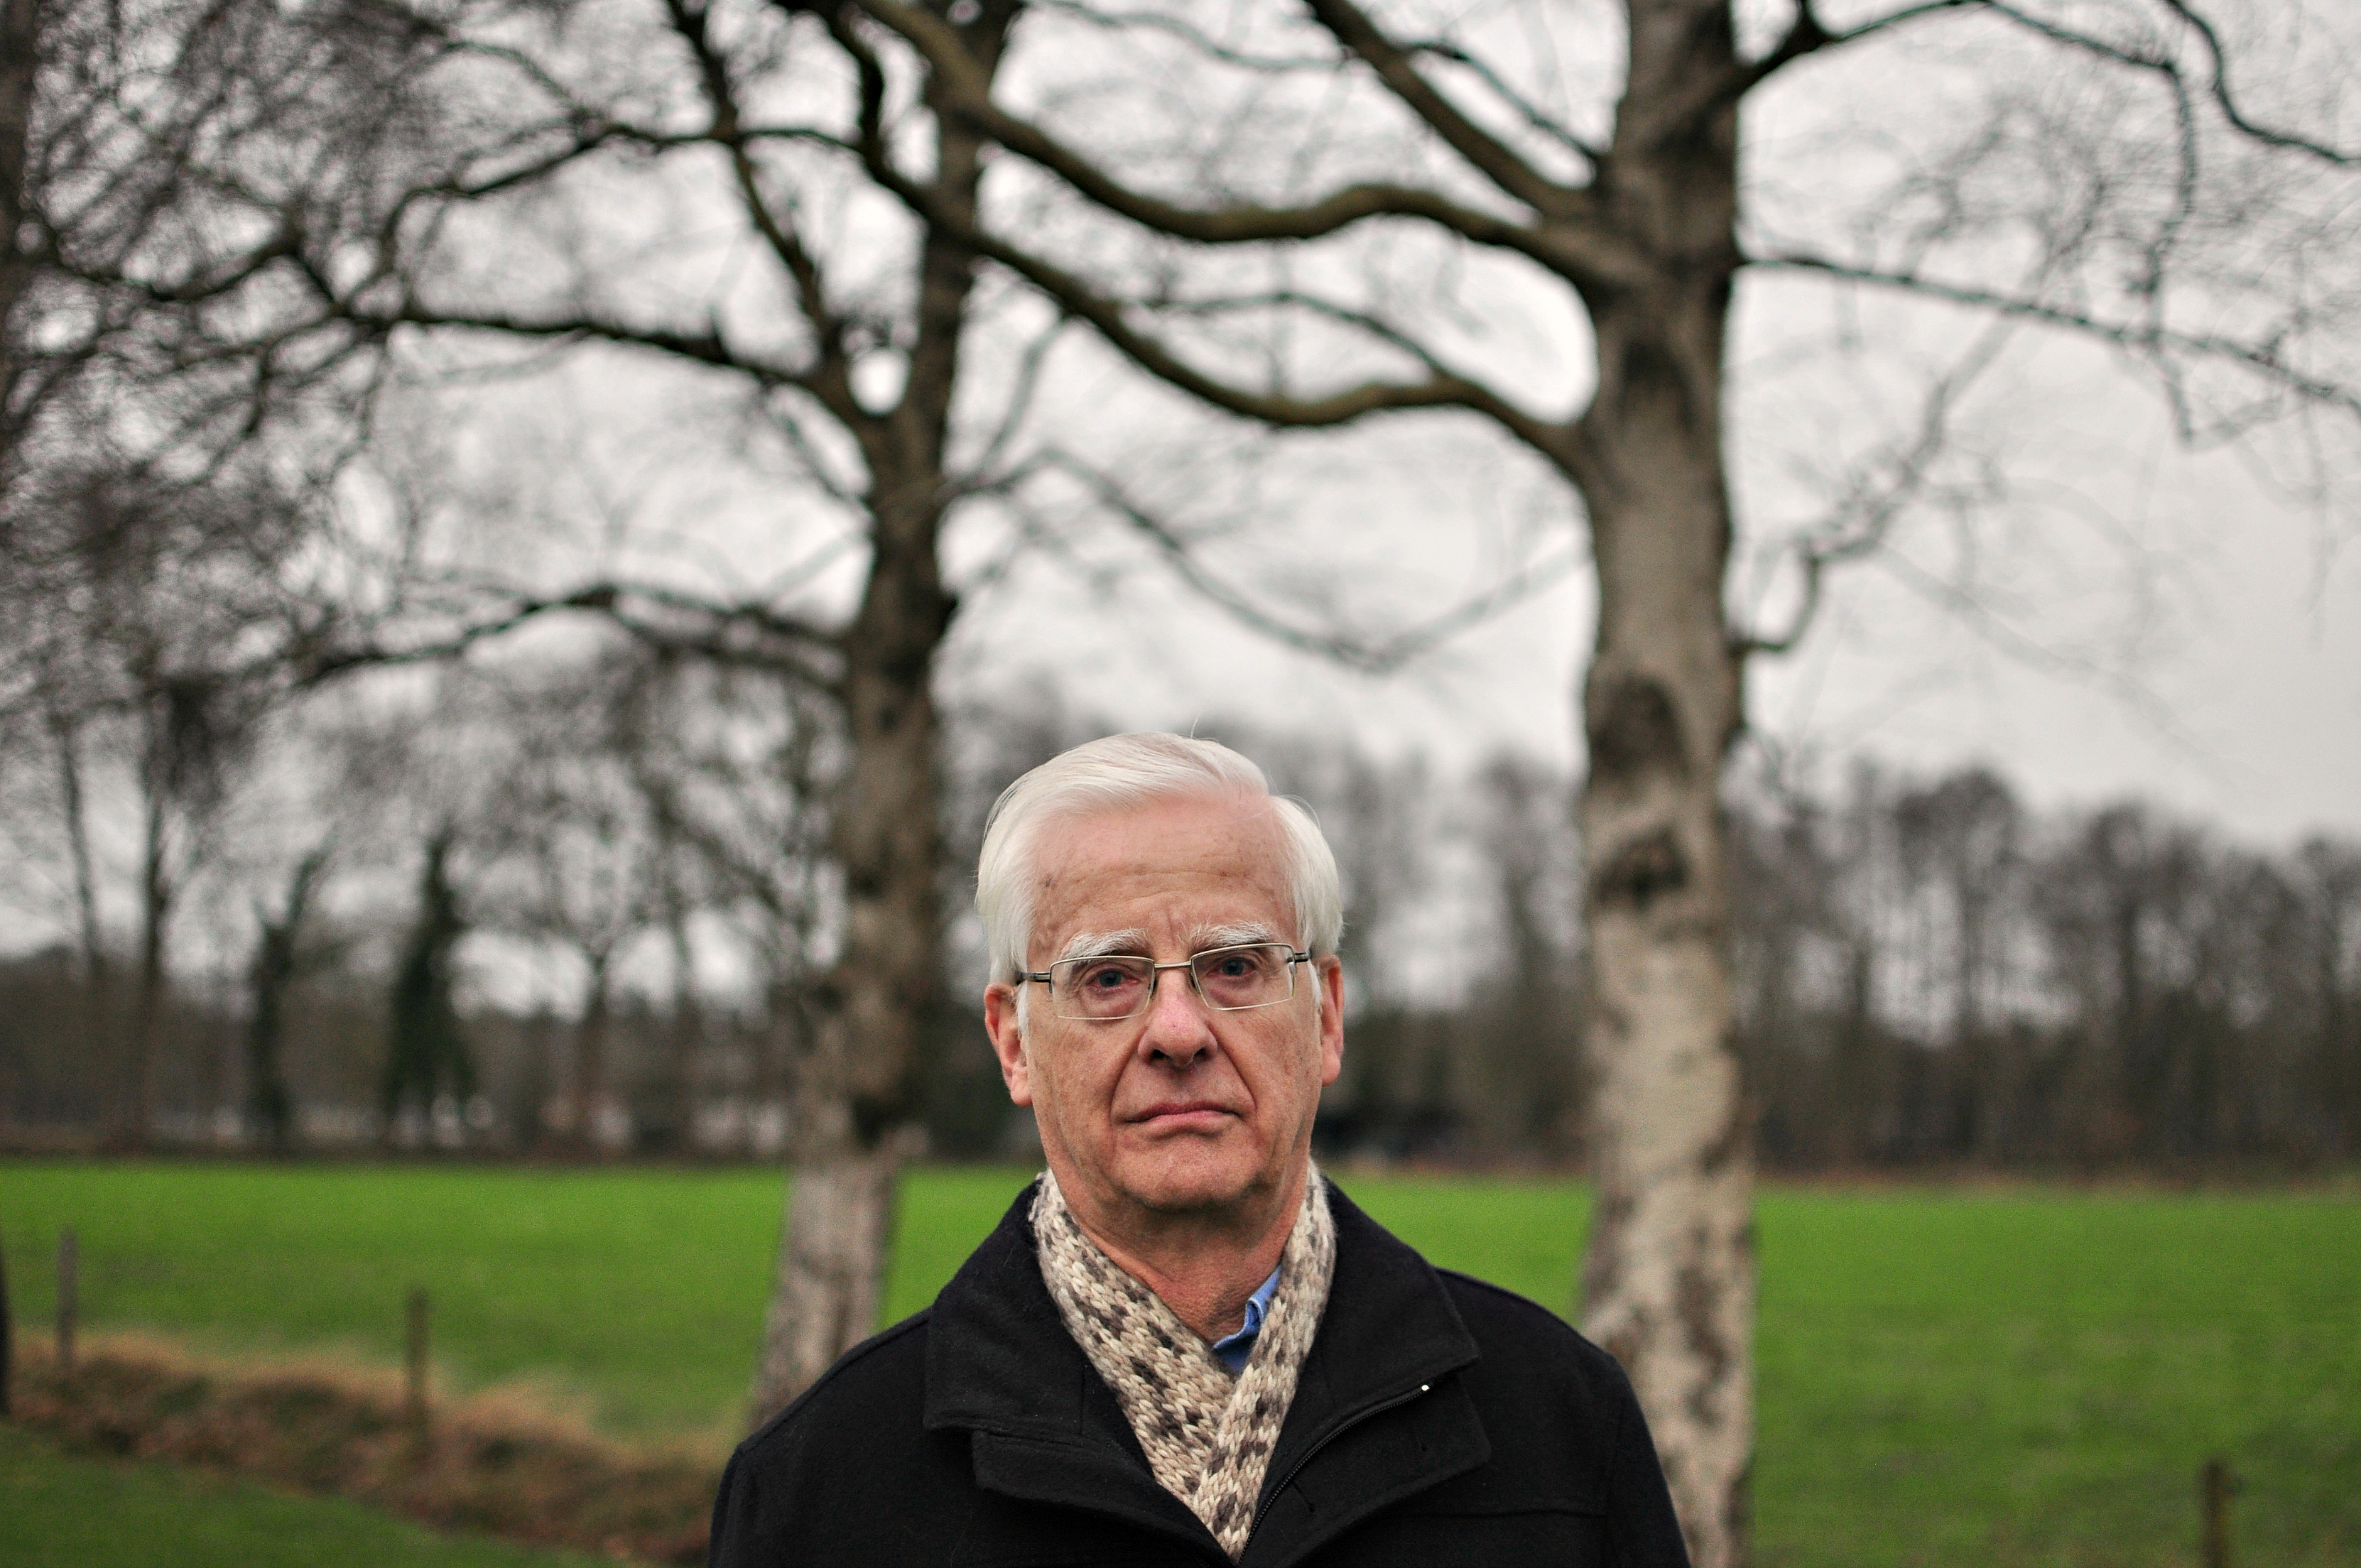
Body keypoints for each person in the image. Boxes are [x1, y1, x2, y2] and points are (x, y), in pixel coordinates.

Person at [707, 733, 1690, 1567]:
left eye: (1233, 967)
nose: (1178, 1033)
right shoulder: (821, 1487)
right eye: (1107, 978)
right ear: (1013, 1043)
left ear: (1327, 1016)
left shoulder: (1560, 1427)